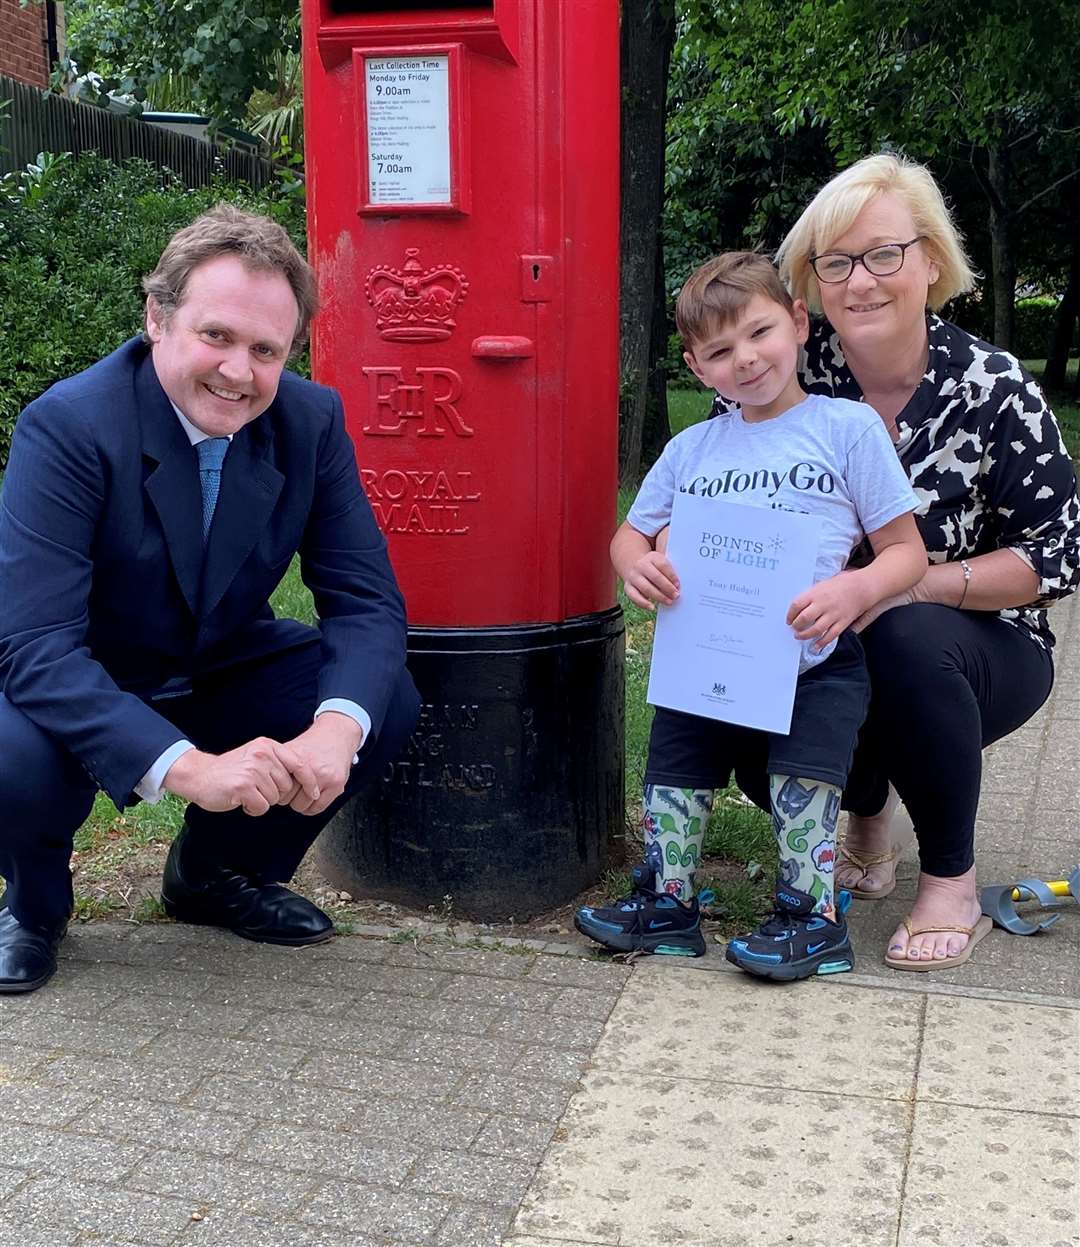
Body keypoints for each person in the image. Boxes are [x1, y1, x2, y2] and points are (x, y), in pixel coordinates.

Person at [0, 204, 420, 995]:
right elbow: (35, 649)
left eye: (266, 349)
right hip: (81, 670)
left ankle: (215, 874)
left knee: (380, 698)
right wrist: (188, 767)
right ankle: (33, 903)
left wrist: (335, 730)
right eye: (217, 336)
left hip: (215, 658)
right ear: (157, 318)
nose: (239, 371)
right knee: (13, 759)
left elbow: (365, 601)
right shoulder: (67, 427)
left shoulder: (311, 421)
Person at [765, 152, 1080, 971]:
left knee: (900, 638)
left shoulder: (997, 388)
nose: (860, 281)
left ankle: (951, 881)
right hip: (829, 627)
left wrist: (913, 584)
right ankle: (865, 817)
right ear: (811, 283)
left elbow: (1059, 556)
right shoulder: (794, 379)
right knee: (759, 660)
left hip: (980, 640)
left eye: (884, 254)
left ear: (930, 260)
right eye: (834, 263)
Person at [575, 251, 927, 980]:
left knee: (804, 782)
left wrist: (855, 592)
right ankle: (668, 901)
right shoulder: (693, 447)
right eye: (720, 351)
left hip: (814, 654)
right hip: (707, 653)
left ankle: (810, 915)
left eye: (760, 332)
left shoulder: (846, 429)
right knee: (676, 767)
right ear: (697, 368)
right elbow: (630, 534)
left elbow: (905, 552)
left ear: (798, 323)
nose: (746, 359)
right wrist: (635, 563)